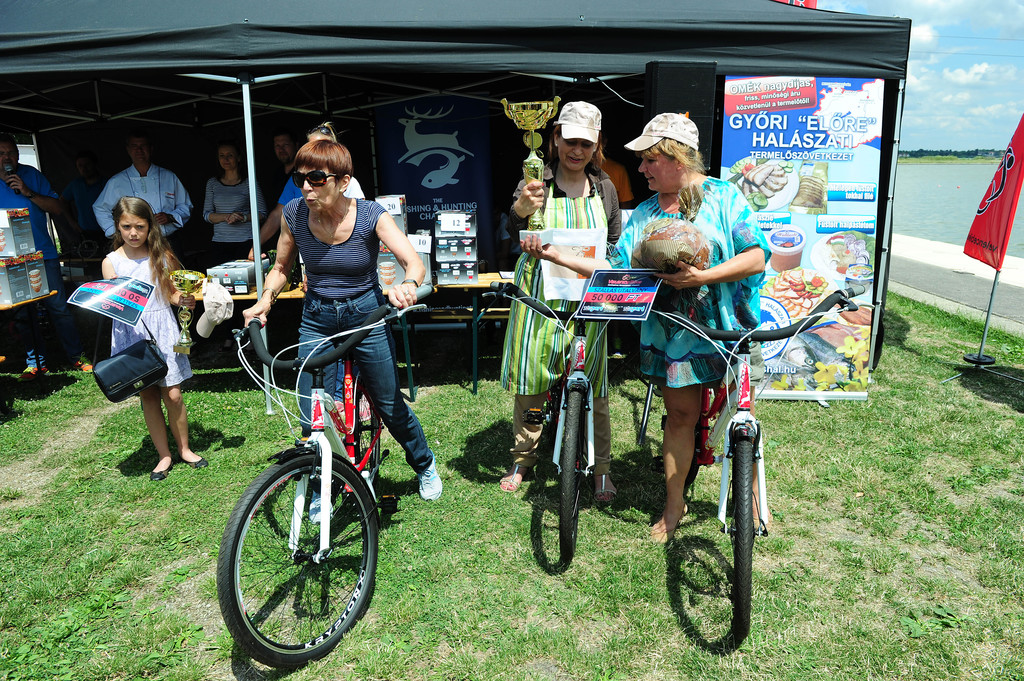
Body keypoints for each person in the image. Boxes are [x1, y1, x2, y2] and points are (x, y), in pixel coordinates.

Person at [520, 113, 770, 542]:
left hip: (729, 329)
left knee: (738, 417)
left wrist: (702, 279)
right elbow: (613, 268)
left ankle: (749, 499)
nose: (640, 169)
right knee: (680, 417)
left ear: (675, 157)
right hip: (674, 335)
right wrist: (557, 255)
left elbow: (756, 257)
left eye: (649, 159)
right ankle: (674, 506)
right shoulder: (644, 214)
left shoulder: (726, 197)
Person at [242, 139, 442, 501]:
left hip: (364, 315)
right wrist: (265, 300)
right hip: (317, 317)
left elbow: (414, 263)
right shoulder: (293, 215)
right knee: (313, 414)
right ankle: (325, 484)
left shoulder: (370, 215)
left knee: (388, 404)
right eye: (302, 178)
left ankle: (424, 463)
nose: (306, 187)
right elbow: (281, 268)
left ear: (343, 181)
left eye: (317, 178)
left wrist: (407, 285)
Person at [498, 101, 621, 501]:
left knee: (597, 384)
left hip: (589, 294)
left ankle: (601, 466)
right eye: (570, 141)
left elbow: (615, 244)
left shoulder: (604, 188)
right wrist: (520, 210)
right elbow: (507, 235)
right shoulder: (534, 182)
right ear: (555, 139)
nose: (577, 150)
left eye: (585, 143)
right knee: (533, 380)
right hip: (540, 294)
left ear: (596, 145)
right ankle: (524, 457)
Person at [100, 196, 207, 481]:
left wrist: (182, 299)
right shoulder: (111, 263)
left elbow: (170, 292)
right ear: (117, 227)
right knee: (148, 394)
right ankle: (164, 455)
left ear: (150, 228)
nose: (133, 233)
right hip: (132, 335)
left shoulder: (162, 256)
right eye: (126, 227)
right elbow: (115, 303)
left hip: (162, 328)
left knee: (173, 393)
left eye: (139, 226)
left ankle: (184, 449)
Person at [0, 133, 92, 381]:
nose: (8, 157)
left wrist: (28, 192)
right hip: (10, 259)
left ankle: (76, 357)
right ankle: (35, 363)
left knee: (58, 308)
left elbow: (58, 208)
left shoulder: (31, 176)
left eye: (12, 152)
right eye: (2, 153)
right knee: (23, 312)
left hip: (42, 254)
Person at [250, 122, 366, 260]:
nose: (306, 187)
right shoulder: (293, 197)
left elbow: (362, 221)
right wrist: (256, 246)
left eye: (323, 147)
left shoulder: (350, 184)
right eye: (312, 148)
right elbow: (277, 215)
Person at [203, 139, 268, 349]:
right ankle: (228, 335)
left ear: (239, 158)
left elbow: (263, 213)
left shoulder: (250, 182)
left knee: (247, 292)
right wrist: (226, 217)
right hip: (220, 244)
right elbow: (206, 215)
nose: (226, 160)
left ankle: (250, 335)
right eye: (222, 156)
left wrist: (243, 217)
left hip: (245, 244)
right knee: (222, 292)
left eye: (230, 155)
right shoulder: (212, 183)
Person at [92, 129, 192, 260]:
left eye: (143, 146)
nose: (139, 150)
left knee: (173, 278)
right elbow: (100, 208)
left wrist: (171, 217)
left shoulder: (168, 177)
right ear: (128, 149)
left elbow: (185, 205)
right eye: (134, 146)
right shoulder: (117, 181)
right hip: (133, 245)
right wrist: (115, 231)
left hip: (167, 242)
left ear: (151, 148)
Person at [60, 150, 108, 253]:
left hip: (106, 232)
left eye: (87, 165)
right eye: (80, 166)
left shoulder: (107, 183)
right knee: (90, 264)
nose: (84, 168)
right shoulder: (75, 185)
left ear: (94, 164)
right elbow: (62, 201)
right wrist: (72, 222)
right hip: (85, 232)